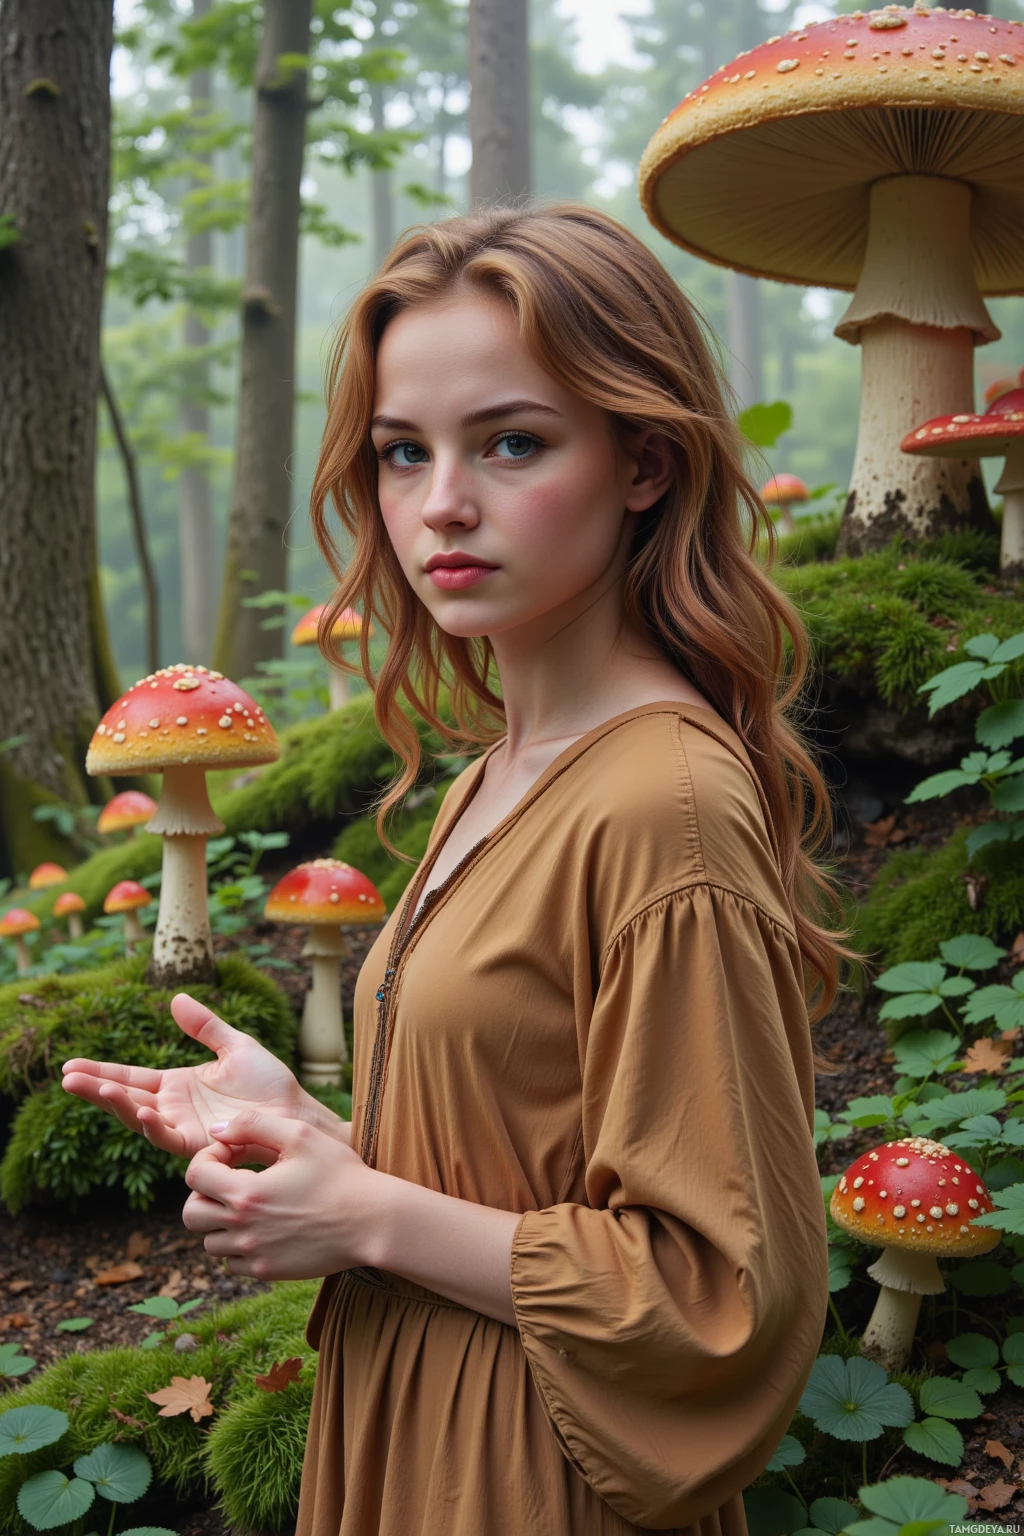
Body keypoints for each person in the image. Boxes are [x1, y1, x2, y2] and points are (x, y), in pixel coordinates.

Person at [63, 203, 850, 1536]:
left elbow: (718, 1300)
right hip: (407, 1435)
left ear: (645, 462)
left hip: (532, 1476)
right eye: (401, 454)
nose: (442, 506)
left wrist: (362, 1214)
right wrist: (319, 1139)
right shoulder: (491, 771)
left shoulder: (665, 803)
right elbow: (521, 1174)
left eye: (513, 443)